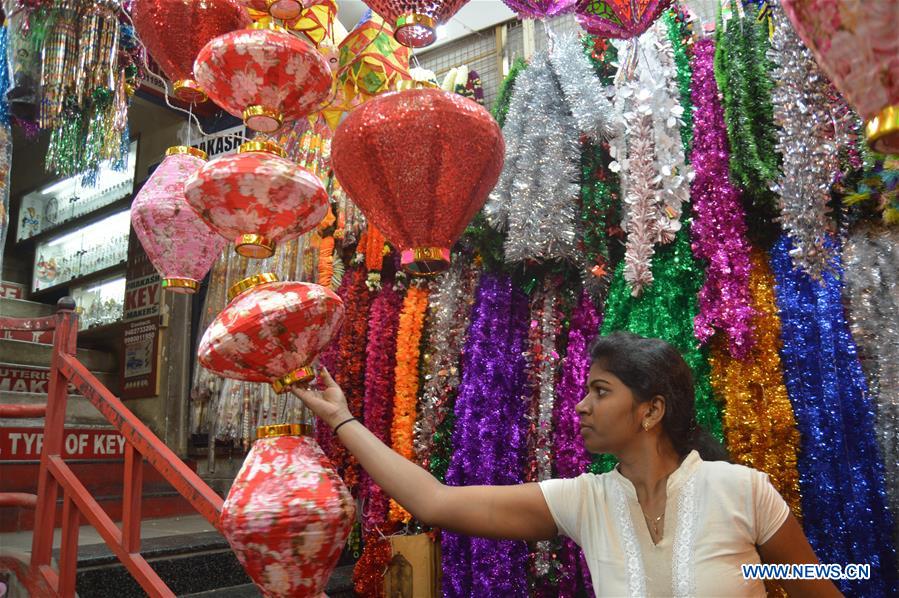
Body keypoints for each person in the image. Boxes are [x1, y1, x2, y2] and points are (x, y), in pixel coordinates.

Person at [292, 331, 842, 597]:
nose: (580, 406)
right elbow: (434, 502)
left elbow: (815, 584)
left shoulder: (742, 490)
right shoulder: (587, 500)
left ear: (650, 410)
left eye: (600, 391)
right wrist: (343, 420)